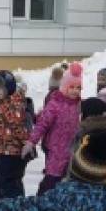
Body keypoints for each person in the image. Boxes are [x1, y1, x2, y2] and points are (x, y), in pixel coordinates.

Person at [23, 62, 83, 195]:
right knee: (51, 180)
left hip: (73, 151)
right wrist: (31, 141)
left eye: (78, 88)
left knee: (68, 183)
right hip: (56, 149)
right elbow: (42, 124)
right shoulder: (55, 104)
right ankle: (41, 201)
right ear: (64, 87)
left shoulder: (79, 105)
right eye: (72, 87)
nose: (75, 91)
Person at [0, 70, 30, 199]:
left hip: (11, 152)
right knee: (3, 182)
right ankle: (6, 205)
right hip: (2, 149)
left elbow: (19, 128)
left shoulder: (12, 104)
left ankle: (14, 207)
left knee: (9, 184)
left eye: (1, 88)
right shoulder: (4, 102)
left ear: (9, 87)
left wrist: (27, 144)